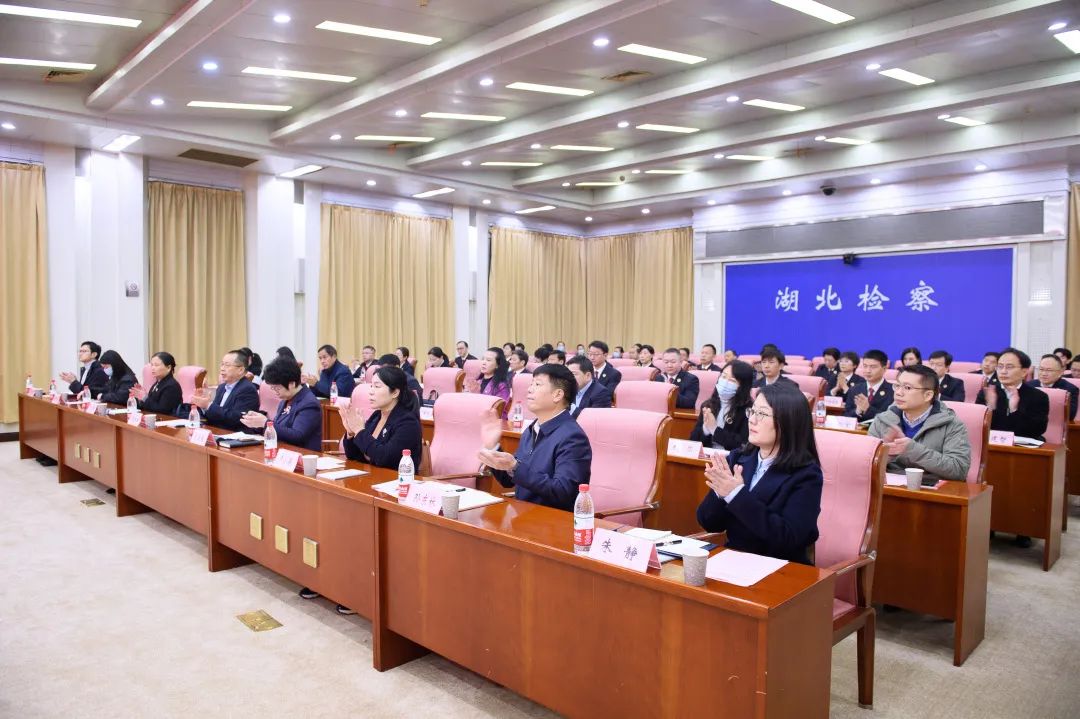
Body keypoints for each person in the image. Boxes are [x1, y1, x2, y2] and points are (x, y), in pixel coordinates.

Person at [696, 383, 823, 564]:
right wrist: (720, 492)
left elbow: (788, 538)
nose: (752, 420)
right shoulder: (738, 458)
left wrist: (735, 494)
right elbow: (708, 523)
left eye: (762, 414)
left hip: (780, 568)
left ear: (787, 421)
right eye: (752, 411)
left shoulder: (806, 474)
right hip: (734, 561)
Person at [478, 365, 592, 511]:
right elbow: (509, 481)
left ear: (557, 395)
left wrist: (515, 467)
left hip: (551, 519)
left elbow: (564, 491)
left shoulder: (573, 438)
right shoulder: (532, 429)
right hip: (523, 514)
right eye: (531, 384)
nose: (529, 389)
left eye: (537, 384)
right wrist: (493, 446)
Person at [977, 347, 1049, 548]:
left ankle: (1023, 529)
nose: (1003, 371)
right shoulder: (988, 392)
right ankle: (990, 525)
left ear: (1024, 371)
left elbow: (1037, 429)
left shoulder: (1038, 396)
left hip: (1024, 452)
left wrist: (1015, 409)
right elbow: (981, 426)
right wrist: (990, 409)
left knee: (1025, 484)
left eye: (1009, 367)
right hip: (993, 450)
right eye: (1000, 366)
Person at [868, 364, 971, 481]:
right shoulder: (882, 420)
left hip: (929, 488)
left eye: (907, 388)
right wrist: (883, 455)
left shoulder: (952, 425)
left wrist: (912, 450)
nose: (898, 393)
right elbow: (864, 462)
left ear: (928, 395)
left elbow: (959, 470)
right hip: (886, 487)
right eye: (897, 386)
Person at [240, 357, 322, 452]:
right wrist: (257, 423)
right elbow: (280, 427)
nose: (275, 392)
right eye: (273, 388)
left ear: (292, 383)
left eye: (277, 388)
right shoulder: (285, 399)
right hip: (283, 452)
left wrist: (266, 423)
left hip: (302, 455)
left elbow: (297, 436)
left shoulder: (309, 403)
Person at [191, 350, 260, 431]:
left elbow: (236, 419)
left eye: (227, 365)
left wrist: (208, 405)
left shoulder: (247, 389)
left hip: (235, 434)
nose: (222, 369)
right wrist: (201, 406)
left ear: (240, 370)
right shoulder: (221, 387)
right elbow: (215, 415)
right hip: (218, 431)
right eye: (222, 364)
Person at [690, 360, 753, 450]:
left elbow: (743, 444)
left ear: (743, 386)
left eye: (732, 380)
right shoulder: (708, 405)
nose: (725, 382)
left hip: (731, 457)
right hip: (707, 455)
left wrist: (715, 430)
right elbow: (693, 441)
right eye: (723, 376)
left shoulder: (749, 410)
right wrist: (705, 429)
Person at [844, 349, 892, 421]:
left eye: (873, 367)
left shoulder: (893, 392)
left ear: (884, 369)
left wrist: (868, 408)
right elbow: (846, 415)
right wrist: (857, 411)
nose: (868, 371)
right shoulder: (854, 389)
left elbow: (890, 419)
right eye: (865, 366)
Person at [1028, 354, 1078, 421]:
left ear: (1060, 372)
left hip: (1056, 423)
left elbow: (1070, 415)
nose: (1044, 373)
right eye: (1041, 369)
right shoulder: (1029, 386)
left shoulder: (1070, 389)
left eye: (1049, 370)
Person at [130, 351, 182, 416]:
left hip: (166, 419)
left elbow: (162, 409)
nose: (153, 368)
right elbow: (150, 405)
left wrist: (144, 397)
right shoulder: (158, 383)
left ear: (168, 368)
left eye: (156, 365)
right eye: (152, 365)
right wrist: (140, 397)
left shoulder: (172, 386)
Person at [476, 347, 511, 414]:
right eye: (483, 359)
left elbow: (499, 409)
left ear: (497, 365)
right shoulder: (477, 382)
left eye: (488, 360)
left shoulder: (502, 386)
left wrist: (476, 393)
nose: (484, 362)